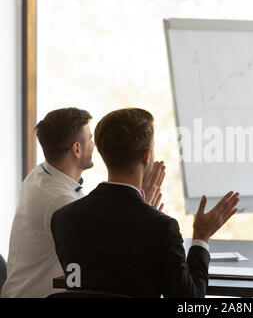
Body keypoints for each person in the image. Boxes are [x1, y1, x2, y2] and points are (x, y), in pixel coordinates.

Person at [51, 108, 240, 298]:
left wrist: (144, 209)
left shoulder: (63, 219)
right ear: (146, 155)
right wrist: (201, 236)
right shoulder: (160, 228)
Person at [1, 108, 94, 298]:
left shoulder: (40, 174)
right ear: (77, 149)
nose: (94, 145)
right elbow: (98, 257)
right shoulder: (60, 201)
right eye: (90, 139)